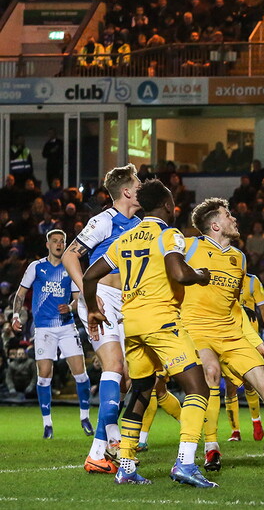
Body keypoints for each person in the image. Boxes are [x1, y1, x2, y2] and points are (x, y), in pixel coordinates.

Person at [82, 179, 216, 487]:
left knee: (141, 391)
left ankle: (126, 467)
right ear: (168, 205)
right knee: (198, 389)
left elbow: (90, 276)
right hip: (162, 322)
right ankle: (184, 463)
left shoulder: (126, 238)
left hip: (132, 325)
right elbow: (179, 273)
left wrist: (92, 307)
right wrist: (200, 275)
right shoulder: (169, 234)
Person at [181, 198, 264, 474]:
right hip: (197, 330)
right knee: (212, 373)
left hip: (232, 333)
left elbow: (236, 309)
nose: (234, 219)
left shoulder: (239, 258)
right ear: (215, 224)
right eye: (228, 215)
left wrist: (261, 344)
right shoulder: (189, 246)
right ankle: (211, 447)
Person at [62, 163, 141, 475]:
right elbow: (71, 254)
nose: (141, 190)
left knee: (127, 379)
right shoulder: (105, 220)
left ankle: (104, 446)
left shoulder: (141, 224)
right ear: (125, 191)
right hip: (102, 299)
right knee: (115, 368)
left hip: (129, 303)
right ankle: (107, 446)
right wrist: (89, 292)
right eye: (138, 185)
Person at [13, 229, 91, 439]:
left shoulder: (70, 267)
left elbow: (78, 298)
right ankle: (47, 423)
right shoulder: (36, 267)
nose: (58, 244)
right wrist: (15, 316)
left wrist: (71, 306)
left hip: (66, 327)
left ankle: (85, 417)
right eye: (55, 241)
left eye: (62, 241)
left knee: (80, 373)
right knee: (44, 375)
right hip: (44, 329)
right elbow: (20, 294)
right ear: (47, 245)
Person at [229, 270, 264, 442]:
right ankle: (235, 430)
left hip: (250, 338)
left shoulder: (252, 281)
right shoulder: (220, 277)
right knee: (230, 386)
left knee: (251, 383)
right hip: (226, 336)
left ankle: (256, 421)